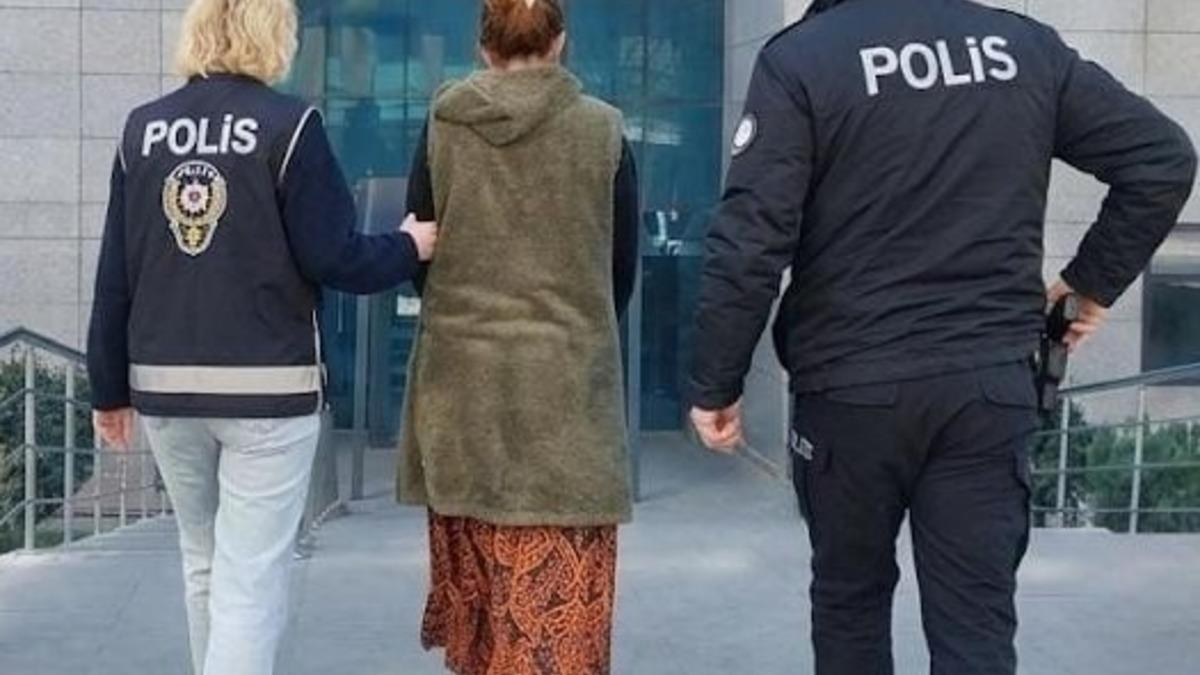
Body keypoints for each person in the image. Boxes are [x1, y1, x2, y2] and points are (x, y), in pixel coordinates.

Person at [688, 1, 1197, 674]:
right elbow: (1162, 158)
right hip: (986, 387)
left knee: (849, 604)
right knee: (975, 628)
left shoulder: (804, 58)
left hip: (851, 389)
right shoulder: (1020, 46)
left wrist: (716, 383)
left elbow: (749, 243)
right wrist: (1088, 287)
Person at [86, 1, 437, 673]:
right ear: (274, 32)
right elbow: (334, 255)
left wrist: (108, 389)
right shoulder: (290, 126)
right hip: (269, 390)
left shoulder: (142, 131)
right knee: (250, 579)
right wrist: (406, 246)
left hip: (164, 388)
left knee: (203, 563)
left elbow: (115, 273)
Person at [397, 0, 640, 673]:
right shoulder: (603, 131)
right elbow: (619, 269)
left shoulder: (445, 125)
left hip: (461, 404)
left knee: (481, 636)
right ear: (560, 42)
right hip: (567, 412)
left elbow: (420, 253)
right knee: (558, 635)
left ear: (484, 48)